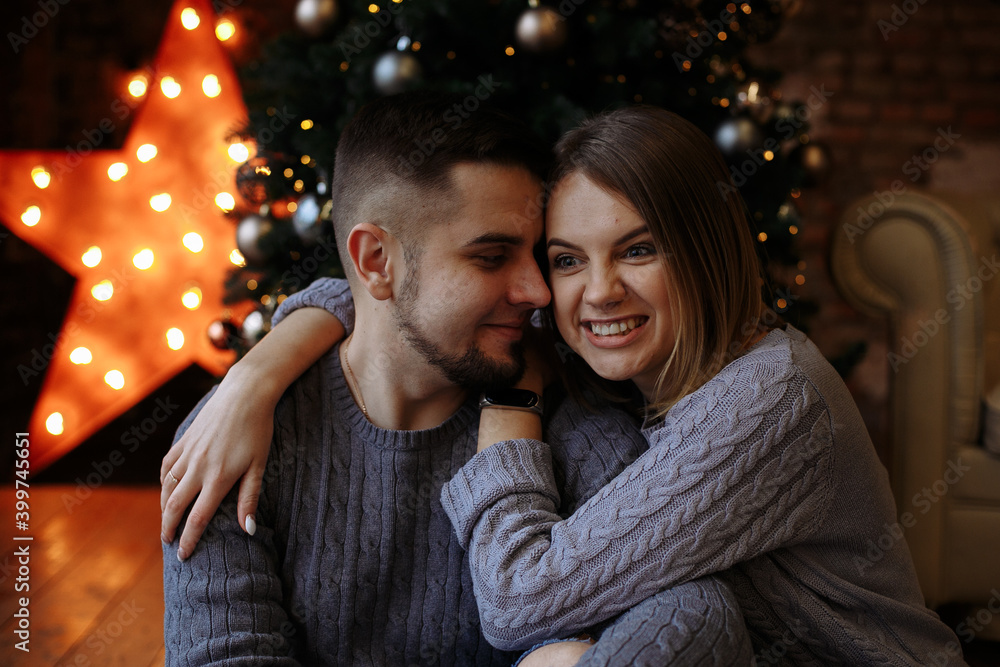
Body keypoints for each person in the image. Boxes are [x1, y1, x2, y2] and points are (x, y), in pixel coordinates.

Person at [160, 92, 752, 666]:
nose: (540, 292)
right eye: (491, 257)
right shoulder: (232, 443)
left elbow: (694, 607)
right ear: (376, 262)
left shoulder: (560, 412)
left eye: (541, 255)